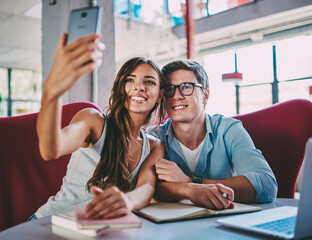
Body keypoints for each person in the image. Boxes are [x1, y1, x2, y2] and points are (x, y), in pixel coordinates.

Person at [31, 33, 166, 220]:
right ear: (121, 87)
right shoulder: (93, 120)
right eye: (130, 80)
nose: (139, 87)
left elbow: (147, 187)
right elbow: (50, 149)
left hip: (97, 230)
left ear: (159, 95)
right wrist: (52, 93)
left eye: (149, 82)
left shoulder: (154, 146)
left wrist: (127, 202)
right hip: (52, 222)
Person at [149, 60, 278, 210]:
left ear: (205, 95)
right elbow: (144, 189)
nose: (176, 96)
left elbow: (266, 185)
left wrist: (190, 181)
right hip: (170, 225)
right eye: (170, 89)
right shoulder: (153, 136)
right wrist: (188, 188)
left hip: (225, 222)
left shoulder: (229, 129)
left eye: (186, 87)